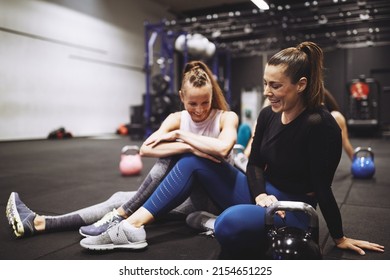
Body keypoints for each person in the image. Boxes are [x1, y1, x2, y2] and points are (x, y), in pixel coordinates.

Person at [79, 42, 384, 258]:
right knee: (190, 161)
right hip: (263, 196)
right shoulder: (267, 115)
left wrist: (339, 236)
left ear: (301, 85)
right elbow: (253, 165)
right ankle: (130, 227)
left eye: (276, 86)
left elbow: (322, 187)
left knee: (228, 226)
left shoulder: (322, 124)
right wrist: (261, 193)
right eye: (266, 83)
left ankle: (212, 221)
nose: (267, 92)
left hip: (290, 209)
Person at [6, 60, 238, 239]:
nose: (199, 110)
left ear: (212, 96)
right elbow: (146, 149)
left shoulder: (226, 118)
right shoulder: (176, 118)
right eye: (192, 104)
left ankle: (123, 213)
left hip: (208, 199)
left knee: (175, 154)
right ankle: (39, 222)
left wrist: (181, 139)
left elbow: (223, 147)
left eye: (205, 102)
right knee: (119, 197)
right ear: (181, 98)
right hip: (180, 193)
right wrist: (192, 148)